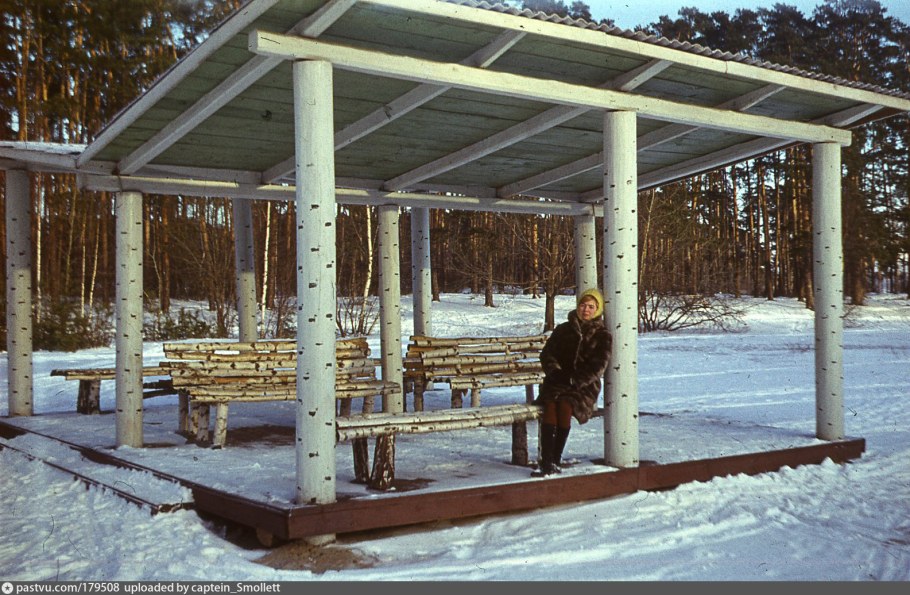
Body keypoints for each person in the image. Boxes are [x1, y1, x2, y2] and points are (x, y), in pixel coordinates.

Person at [533, 287, 612, 477]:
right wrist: (555, 372)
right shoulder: (563, 329)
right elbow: (547, 354)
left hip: (583, 386)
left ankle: (555, 458)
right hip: (557, 380)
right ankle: (547, 462)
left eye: (591, 307)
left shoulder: (602, 335)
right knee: (550, 404)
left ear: (597, 310)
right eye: (583, 305)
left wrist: (575, 380)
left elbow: (598, 366)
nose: (586, 310)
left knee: (565, 405)